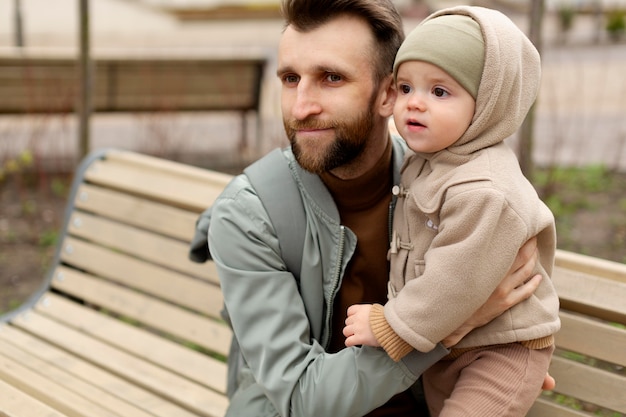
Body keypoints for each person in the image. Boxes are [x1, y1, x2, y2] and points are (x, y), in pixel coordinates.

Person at [206, 1, 553, 416]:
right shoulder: (248, 217)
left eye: (331, 78)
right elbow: (303, 400)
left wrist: (493, 358)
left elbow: (517, 284)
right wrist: (454, 327)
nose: (300, 108)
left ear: (388, 92)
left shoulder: (451, 184)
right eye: (290, 78)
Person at [343, 6, 560, 417]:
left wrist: (391, 323)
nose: (414, 105)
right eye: (405, 88)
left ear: (488, 105)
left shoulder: (486, 189)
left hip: (499, 355)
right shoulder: (437, 161)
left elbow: (457, 277)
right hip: (455, 345)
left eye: (439, 92)